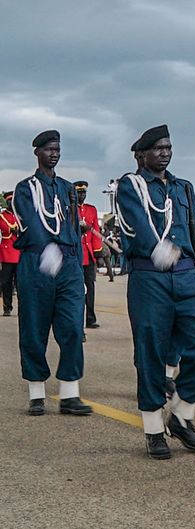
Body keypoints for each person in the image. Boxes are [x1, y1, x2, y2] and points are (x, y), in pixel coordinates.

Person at [115, 124, 195, 459]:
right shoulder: (131, 185)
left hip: (187, 275)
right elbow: (137, 220)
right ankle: (153, 427)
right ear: (141, 154)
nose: (165, 152)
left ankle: (183, 414)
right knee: (151, 353)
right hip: (150, 276)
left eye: (168, 147)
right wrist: (153, 247)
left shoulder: (184, 188)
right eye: (158, 148)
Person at [12, 130, 91, 417]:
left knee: (71, 327)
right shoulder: (25, 188)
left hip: (68, 263)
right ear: (37, 153)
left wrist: (78, 269)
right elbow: (29, 219)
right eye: (48, 149)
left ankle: (70, 393)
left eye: (57, 149)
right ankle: (36, 392)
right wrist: (47, 248)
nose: (54, 153)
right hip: (37, 261)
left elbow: (71, 227)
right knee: (34, 329)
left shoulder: (68, 188)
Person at [74, 181, 104, 331]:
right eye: (79, 193)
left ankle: (90, 318)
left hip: (89, 256)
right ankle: (77, 319)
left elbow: (96, 232)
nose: (82, 195)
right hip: (76, 256)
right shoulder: (70, 209)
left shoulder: (91, 210)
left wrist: (98, 252)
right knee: (77, 290)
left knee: (90, 289)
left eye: (83, 193)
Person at [1, 191, 19, 315]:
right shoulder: (2, 216)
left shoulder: (21, 215)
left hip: (19, 253)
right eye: (9, 201)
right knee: (6, 282)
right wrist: (11, 229)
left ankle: (22, 307)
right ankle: (7, 307)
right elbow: (5, 228)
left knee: (20, 283)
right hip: (7, 252)